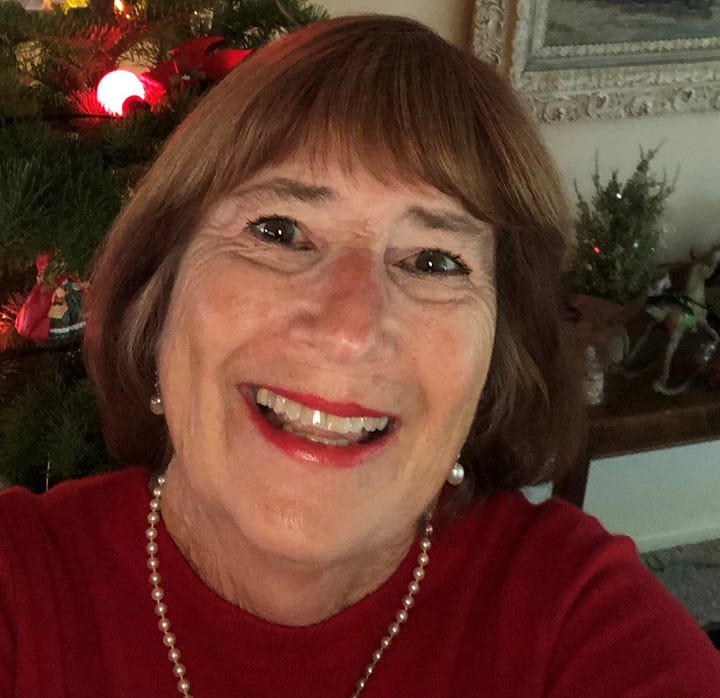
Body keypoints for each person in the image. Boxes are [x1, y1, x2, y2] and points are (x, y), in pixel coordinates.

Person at [1, 14, 718, 698]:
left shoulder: (575, 616)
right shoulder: (21, 585)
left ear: (495, 357)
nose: (349, 328)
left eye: (434, 262)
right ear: (158, 297)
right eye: (278, 230)